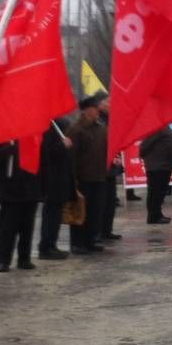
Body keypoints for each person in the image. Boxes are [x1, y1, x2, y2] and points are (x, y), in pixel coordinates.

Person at [0, 140, 42, 272]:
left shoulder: (32, 136)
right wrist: (7, 150)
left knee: (27, 226)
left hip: (31, 186)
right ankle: (4, 260)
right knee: (8, 227)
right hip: (10, 189)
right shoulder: (4, 139)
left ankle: (24, 258)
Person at [67, 96, 109, 253]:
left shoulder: (101, 129)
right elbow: (71, 157)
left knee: (96, 211)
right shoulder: (76, 130)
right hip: (82, 178)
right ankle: (77, 243)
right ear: (85, 111)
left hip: (99, 177)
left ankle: (92, 239)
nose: (97, 111)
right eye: (94, 108)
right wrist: (73, 179)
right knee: (80, 212)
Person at [36, 119, 73, 260]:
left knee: (56, 214)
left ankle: (52, 244)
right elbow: (47, 152)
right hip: (51, 179)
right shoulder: (47, 127)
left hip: (60, 178)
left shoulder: (57, 125)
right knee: (51, 214)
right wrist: (62, 146)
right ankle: (46, 247)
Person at [138, 124, 172, 224]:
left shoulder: (165, 126)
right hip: (156, 166)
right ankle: (153, 217)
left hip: (165, 165)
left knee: (160, 192)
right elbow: (144, 145)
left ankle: (158, 214)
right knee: (155, 192)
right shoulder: (156, 127)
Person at [96, 95, 123, 240]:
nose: (112, 105)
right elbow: (99, 144)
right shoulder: (99, 121)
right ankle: (99, 231)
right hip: (100, 169)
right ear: (100, 105)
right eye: (109, 102)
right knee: (101, 202)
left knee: (110, 202)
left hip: (111, 168)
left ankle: (107, 230)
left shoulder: (109, 120)